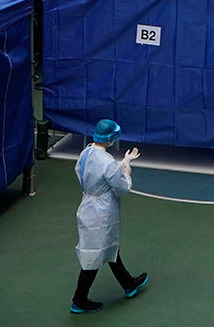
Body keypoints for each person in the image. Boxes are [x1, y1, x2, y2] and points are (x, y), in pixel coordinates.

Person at [71, 119, 149, 314]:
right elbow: (121, 187)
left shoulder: (87, 152)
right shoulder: (106, 162)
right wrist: (127, 172)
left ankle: (129, 284)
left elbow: (93, 171)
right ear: (111, 139)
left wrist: (124, 161)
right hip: (102, 213)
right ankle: (79, 300)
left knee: (110, 248)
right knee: (95, 254)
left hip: (88, 206)